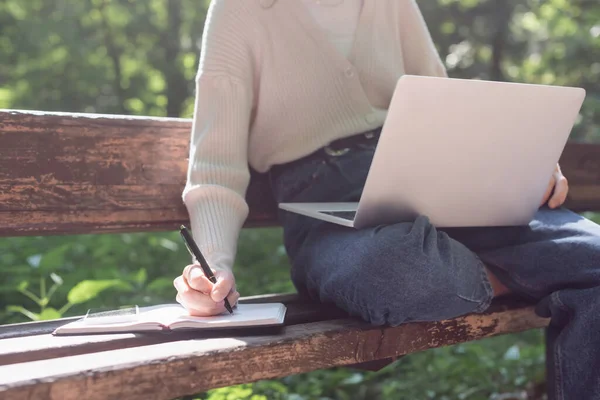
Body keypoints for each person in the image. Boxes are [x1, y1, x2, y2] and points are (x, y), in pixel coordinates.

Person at [173, 1, 600, 398]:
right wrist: (213, 269)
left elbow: (450, 108)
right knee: (401, 272)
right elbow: (216, 166)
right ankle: (525, 272)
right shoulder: (238, 10)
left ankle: (461, 273)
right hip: (327, 211)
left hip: (438, 176)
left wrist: (521, 162)